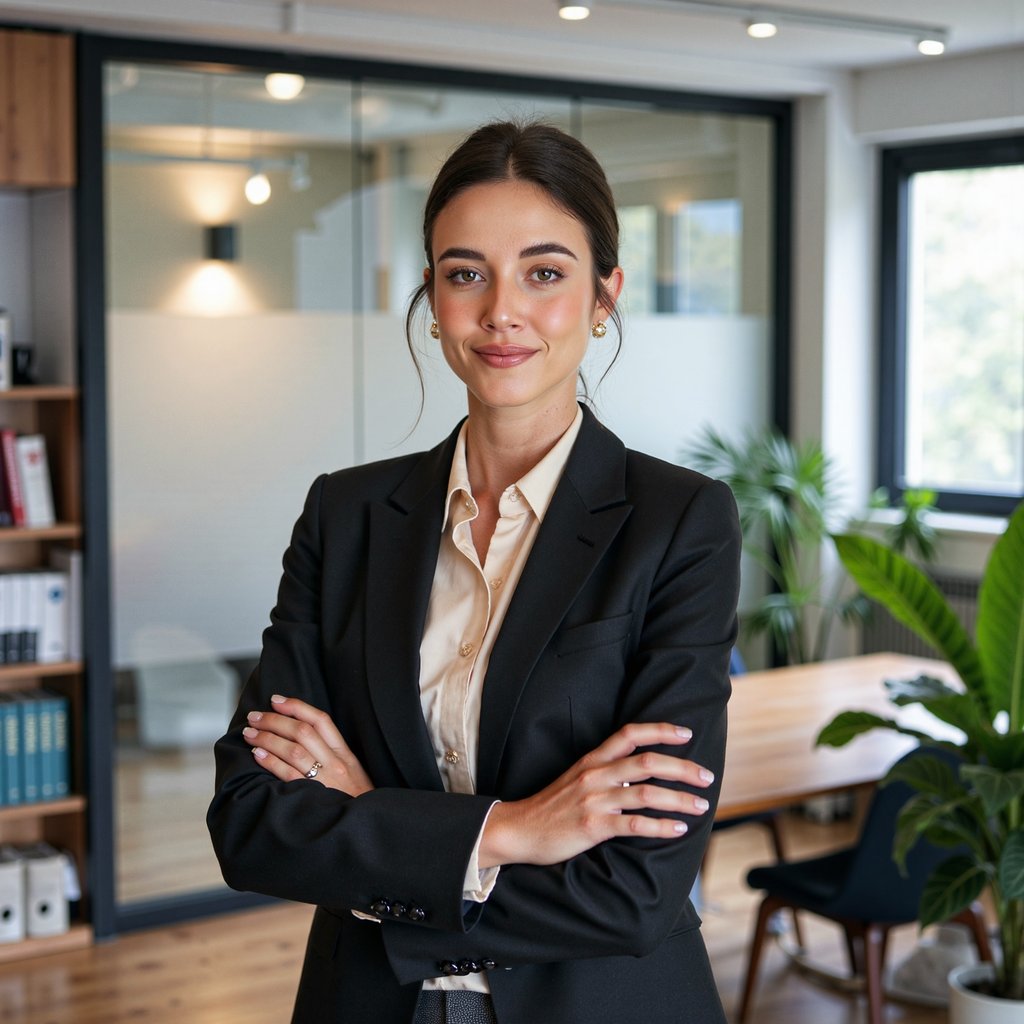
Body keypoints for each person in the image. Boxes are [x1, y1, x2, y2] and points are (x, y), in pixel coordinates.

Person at [207, 120, 741, 1024]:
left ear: (605, 293)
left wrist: (376, 827)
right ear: (431, 294)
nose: (502, 311)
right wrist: (518, 831)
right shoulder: (346, 516)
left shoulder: (679, 522)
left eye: (545, 272)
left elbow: (636, 890)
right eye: (465, 274)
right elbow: (254, 825)